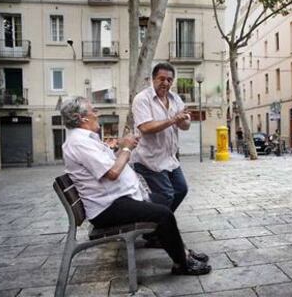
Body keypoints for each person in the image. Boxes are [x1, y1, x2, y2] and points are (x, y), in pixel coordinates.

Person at [60, 96, 211, 276]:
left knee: (163, 201)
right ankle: (182, 264)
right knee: (163, 214)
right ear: (82, 118)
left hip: (116, 199)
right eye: (93, 111)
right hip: (107, 208)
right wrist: (126, 148)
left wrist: (122, 148)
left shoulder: (86, 140)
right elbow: (113, 172)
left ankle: (181, 250)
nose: (97, 114)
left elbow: (110, 164)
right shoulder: (79, 142)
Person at [131, 63, 191, 213]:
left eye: (169, 80)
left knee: (181, 190)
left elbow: (185, 126)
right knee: (166, 195)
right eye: (162, 79)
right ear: (153, 79)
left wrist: (183, 120)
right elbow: (145, 127)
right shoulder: (142, 99)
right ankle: (155, 229)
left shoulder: (176, 99)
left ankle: (160, 223)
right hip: (149, 160)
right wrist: (173, 119)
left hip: (170, 159)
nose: (166, 83)